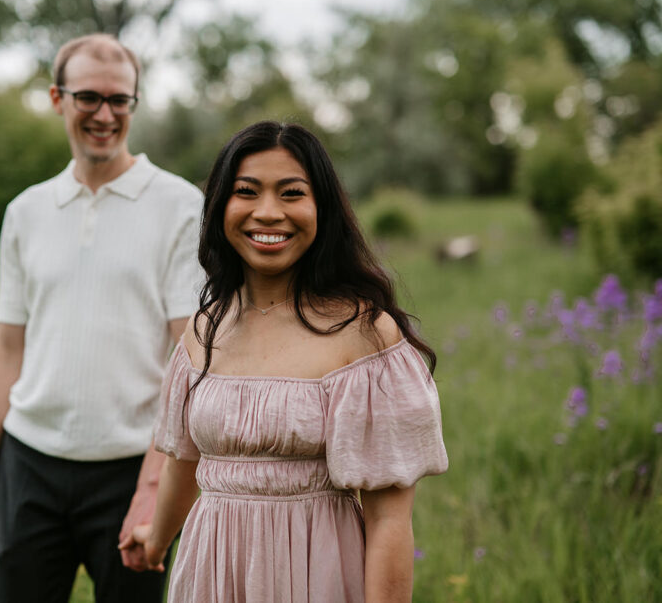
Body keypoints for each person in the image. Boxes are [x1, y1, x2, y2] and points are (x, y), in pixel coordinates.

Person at [122, 121, 449, 601]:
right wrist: (155, 539)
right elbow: (184, 464)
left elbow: (388, 521)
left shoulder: (365, 336)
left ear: (322, 209)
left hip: (318, 576)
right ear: (220, 208)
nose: (269, 212)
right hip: (212, 577)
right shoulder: (202, 332)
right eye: (247, 192)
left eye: (292, 193)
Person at [0, 33, 204, 602]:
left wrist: (153, 486)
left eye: (121, 100)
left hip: (131, 472)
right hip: (28, 468)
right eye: (88, 97)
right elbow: (7, 352)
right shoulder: (26, 212)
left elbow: (189, 358)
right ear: (57, 98)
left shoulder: (180, 206)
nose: (105, 114)